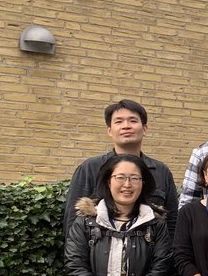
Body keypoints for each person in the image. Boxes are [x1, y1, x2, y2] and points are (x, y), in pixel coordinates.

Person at [64, 100, 179, 235]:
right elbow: (72, 222)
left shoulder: (160, 171)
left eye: (133, 121)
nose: (126, 126)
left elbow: (172, 222)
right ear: (109, 130)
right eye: (119, 121)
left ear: (145, 129)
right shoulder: (89, 168)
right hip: (98, 253)